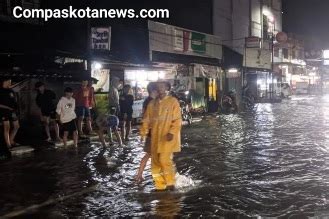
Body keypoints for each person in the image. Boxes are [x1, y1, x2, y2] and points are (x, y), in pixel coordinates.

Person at [140, 81, 182, 191]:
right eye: (158, 87)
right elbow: (146, 119)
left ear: (167, 88)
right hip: (155, 137)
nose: (160, 89)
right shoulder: (152, 104)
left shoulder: (173, 102)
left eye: (162, 86)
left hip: (167, 137)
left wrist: (172, 132)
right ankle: (160, 186)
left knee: (164, 160)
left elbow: (177, 120)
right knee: (155, 163)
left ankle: (170, 183)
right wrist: (143, 132)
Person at [135, 82, 158, 183]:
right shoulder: (151, 102)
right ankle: (140, 175)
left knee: (150, 154)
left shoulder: (147, 101)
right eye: (158, 89)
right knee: (152, 154)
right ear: (154, 91)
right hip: (153, 132)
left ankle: (140, 175)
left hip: (151, 132)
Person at [0, 77, 20, 149]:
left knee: (17, 126)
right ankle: (8, 145)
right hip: (4, 112)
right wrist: (8, 108)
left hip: (13, 111)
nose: (10, 83)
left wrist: (15, 108)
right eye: (9, 81)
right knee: (7, 128)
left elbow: (13, 100)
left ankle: (11, 140)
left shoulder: (10, 90)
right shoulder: (0, 91)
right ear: (5, 81)